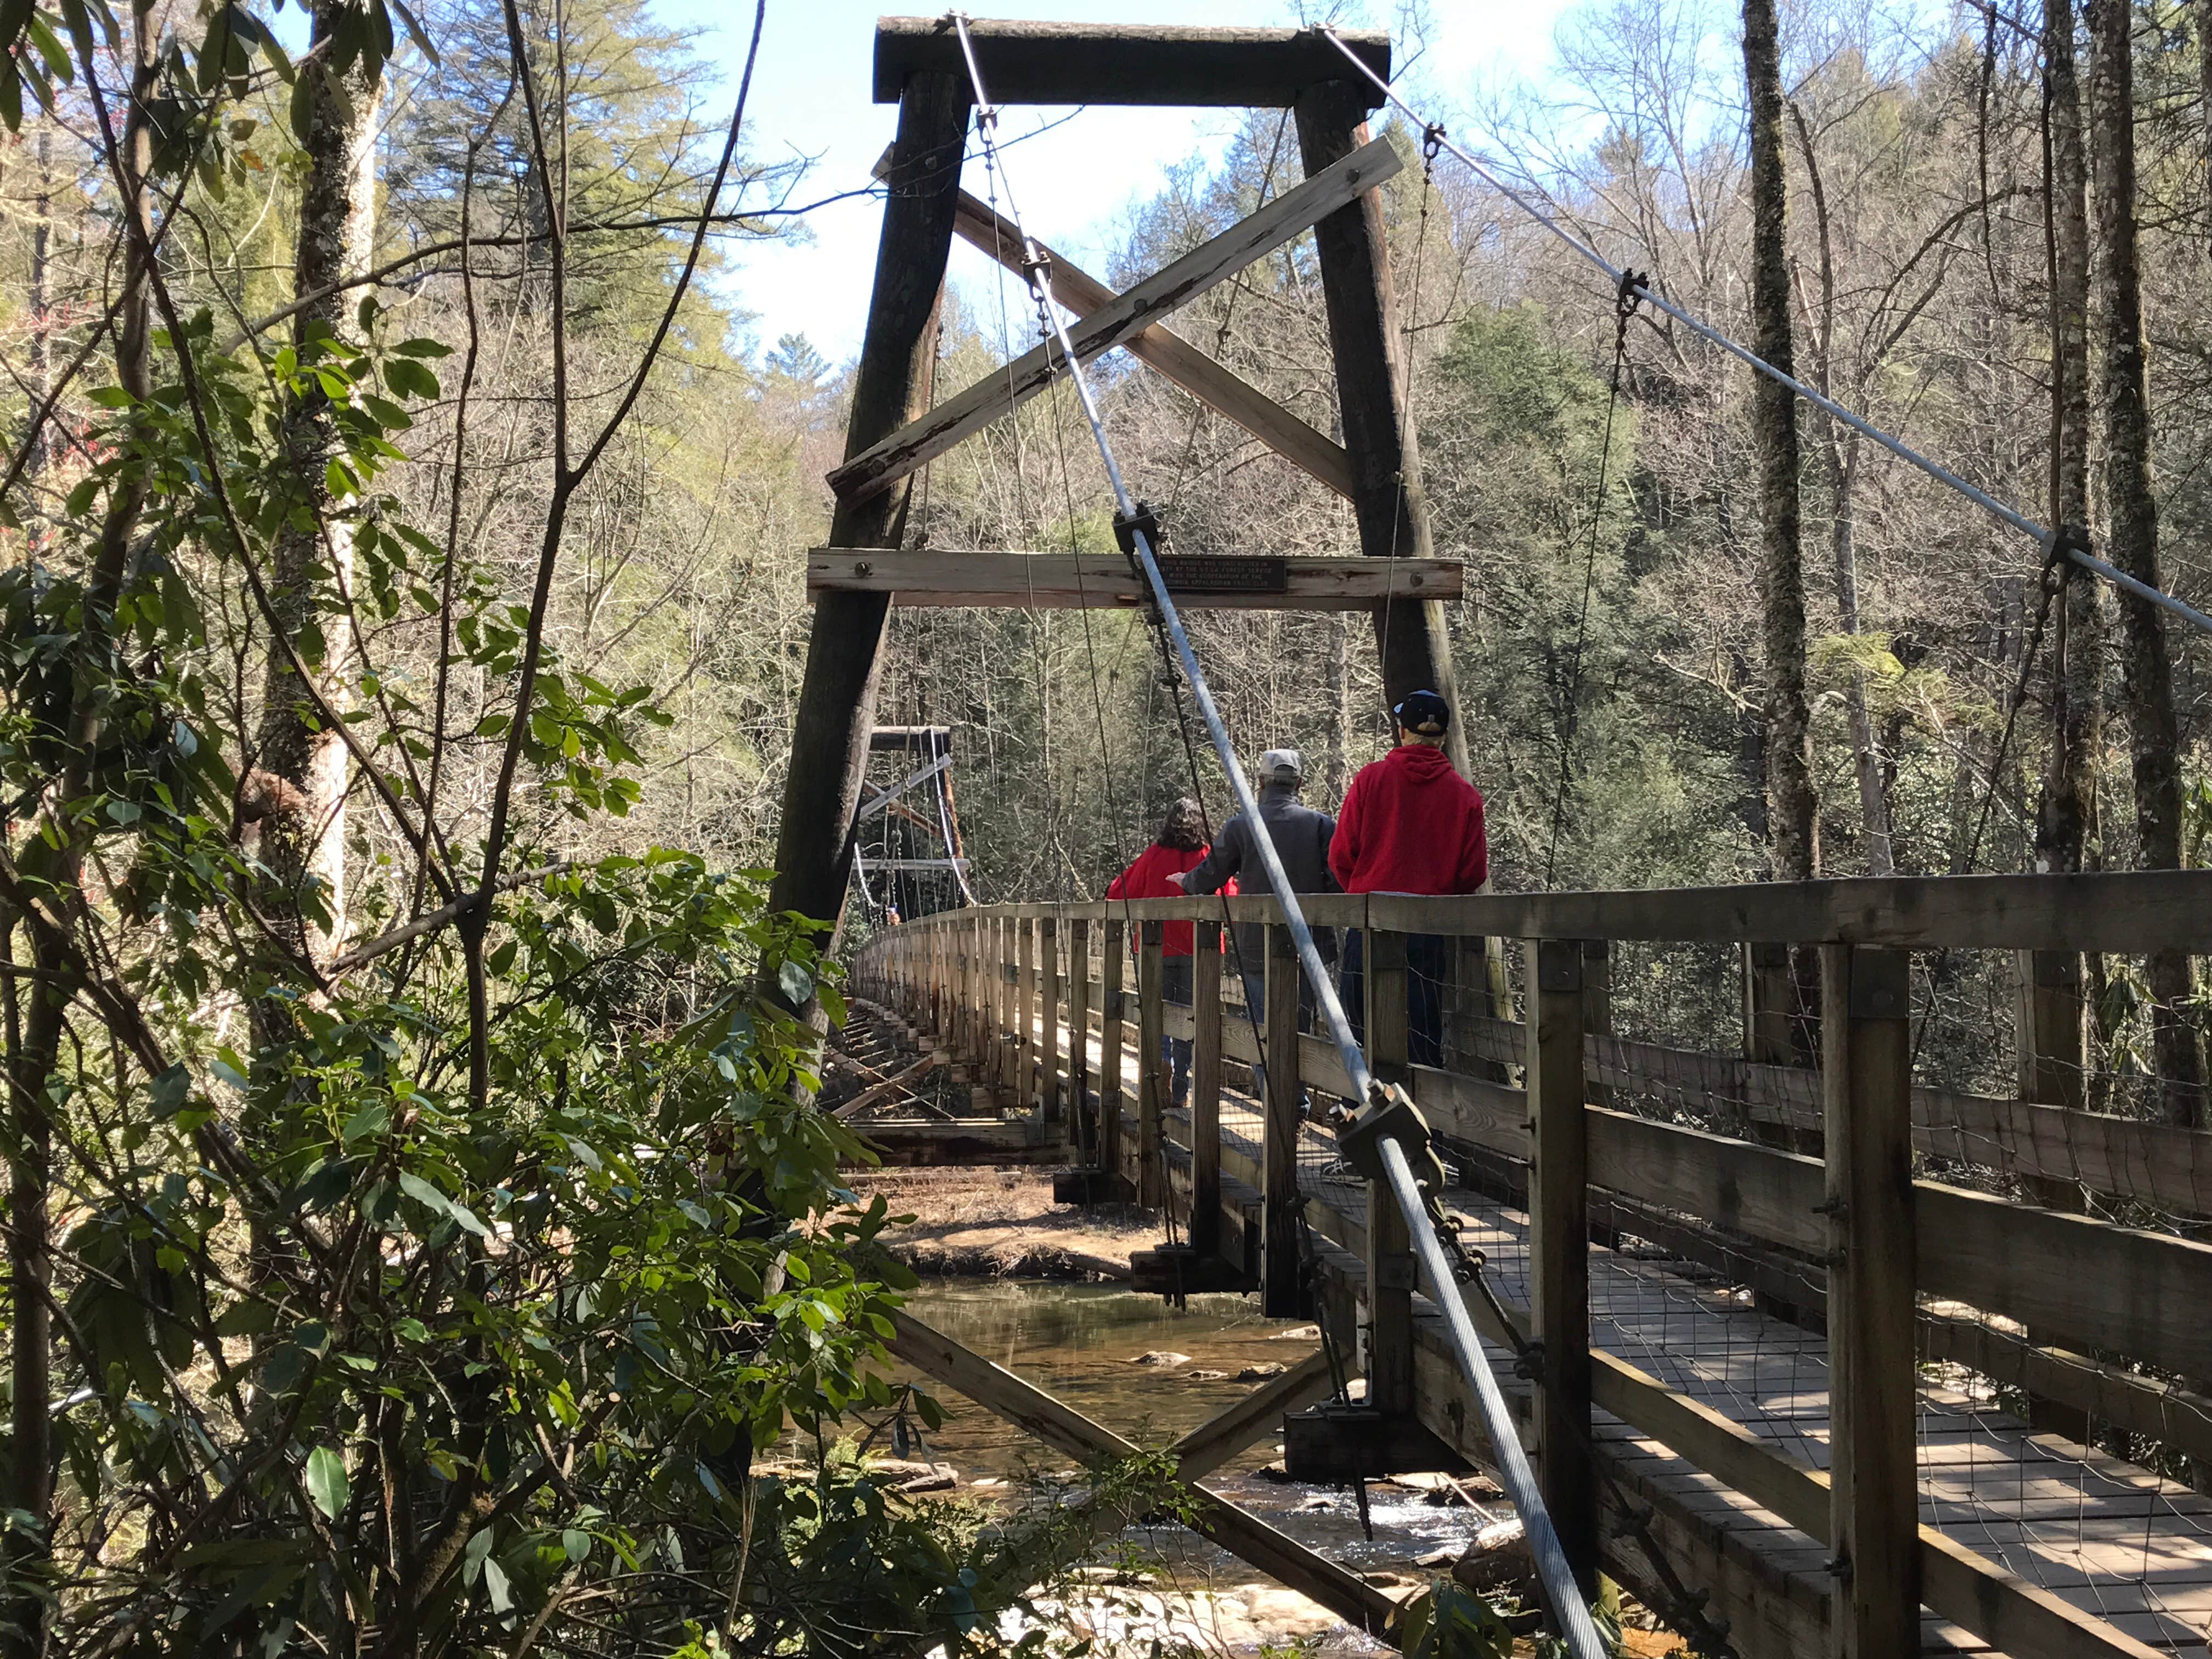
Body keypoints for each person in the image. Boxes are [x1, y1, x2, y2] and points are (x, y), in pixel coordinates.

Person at [1329, 690, 1487, 1068]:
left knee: (1361, 1034)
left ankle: (1361, 1101)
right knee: (1422, 1036)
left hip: (1370, 921)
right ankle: (1423, 1105)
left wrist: (1363, 891)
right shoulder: (1464, 796)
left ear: (1402, 732)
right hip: (1428, 928)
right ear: (1443, 738)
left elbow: (1341, 855)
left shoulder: (1370, 780)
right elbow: (1472, 874)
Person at [1172, 749, 1335, 1104]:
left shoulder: (1241, 826)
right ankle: (1297, 1103)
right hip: (1309, 946)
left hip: (1256, 948)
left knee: (1263, 1032)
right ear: (1299, 784)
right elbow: (1338, 882)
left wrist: (1187, 881)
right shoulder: (1321, 825)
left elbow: (1209, 876)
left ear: (1260, 783)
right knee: (1301, 1030)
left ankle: (1282, 1108)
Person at [1106, 797, 1232, 1107]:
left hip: (1156, 948)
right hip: (1199, 950)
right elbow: (1230, 895)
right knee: (1190, 1017)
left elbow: (1119, 893)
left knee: (1156, 1013)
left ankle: (1160, 1068)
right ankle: (1180, 1089)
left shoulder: (1154, 855)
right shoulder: (1208, 855)